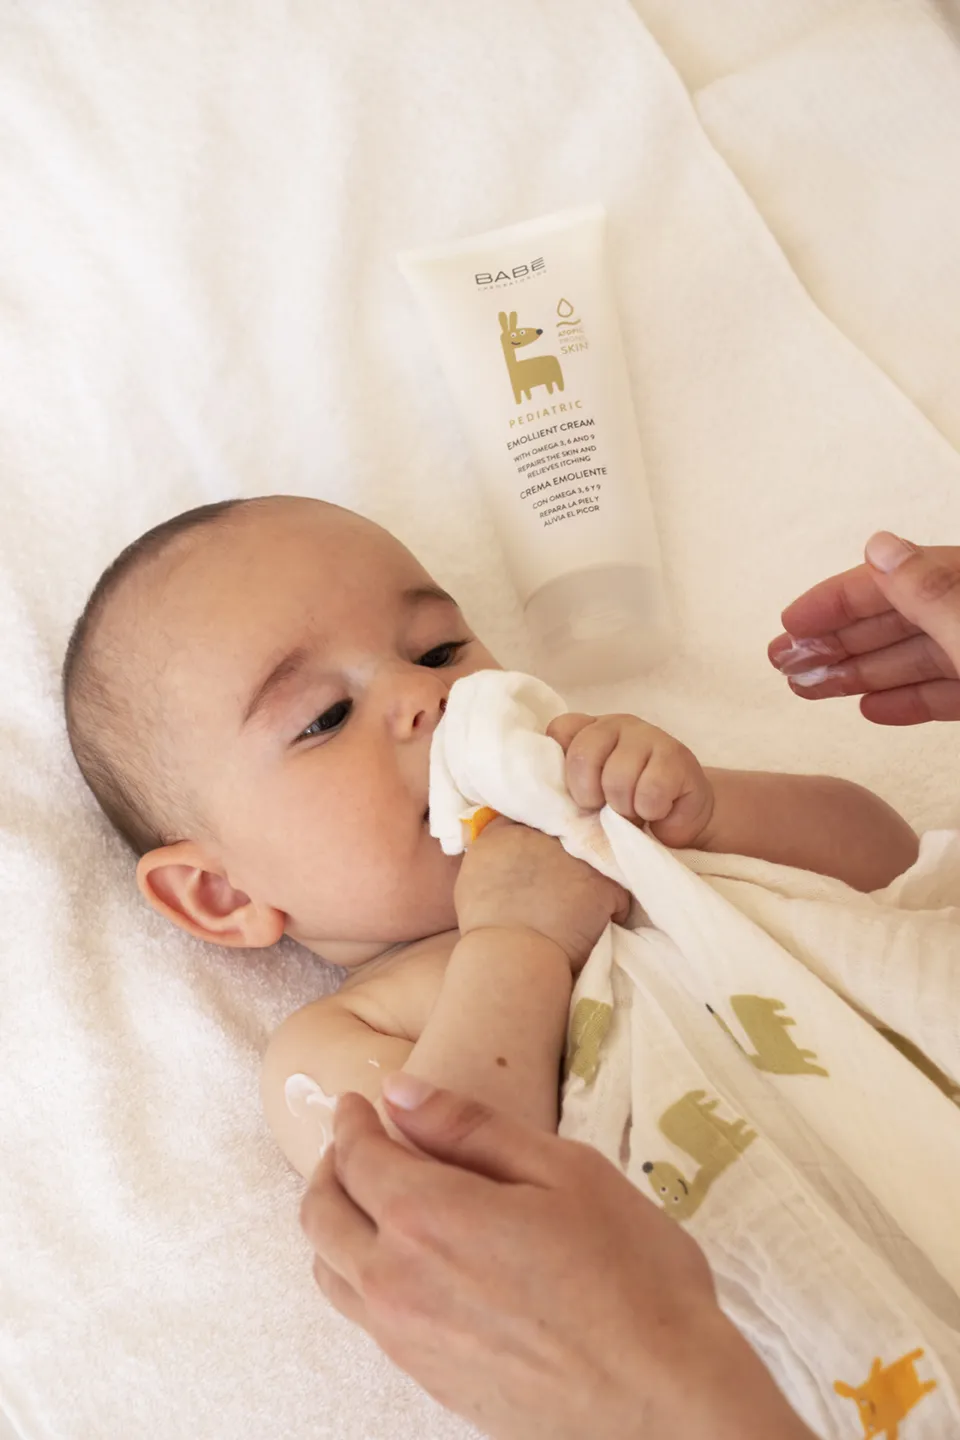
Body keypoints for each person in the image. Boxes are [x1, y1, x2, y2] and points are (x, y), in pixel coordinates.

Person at [298, 530, 960, 1439]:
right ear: (220, 894)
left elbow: (889, 862)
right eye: (324, 718)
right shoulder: (361, 1021)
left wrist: (709, 813)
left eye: (440, 651)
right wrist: (516, 938)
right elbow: (431, 1223)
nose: (426, 696)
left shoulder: (631, 830)